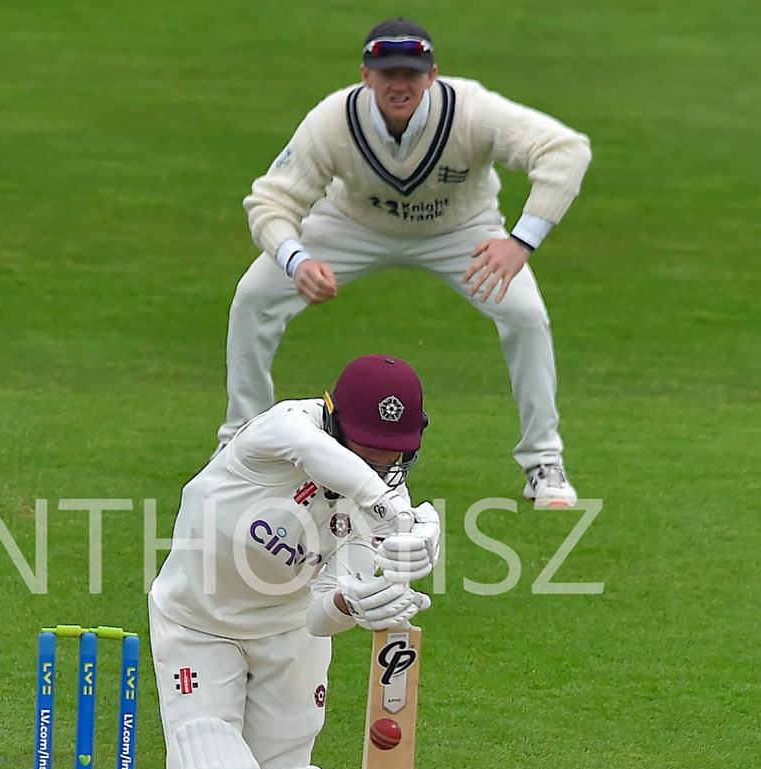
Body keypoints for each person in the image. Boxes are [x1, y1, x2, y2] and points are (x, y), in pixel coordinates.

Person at [149, 354, 440, 769]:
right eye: (368, 450)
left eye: (393, 456)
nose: (381, 465)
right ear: (335, 419)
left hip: (289, 637)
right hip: (199, 624)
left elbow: (321, 612)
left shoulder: (375, 509)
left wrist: (359, 599)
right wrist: (392, 511)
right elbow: (319, 454)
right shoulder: (282, 431)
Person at [221, 18, 589, 508]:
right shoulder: (334, 119)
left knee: (525, 315)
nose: (400, 85)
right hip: (352, 225)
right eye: (386, 73)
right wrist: (297, 260)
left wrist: (521, 242)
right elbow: (270, 200)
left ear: (432, 75)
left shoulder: (472, 111)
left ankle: (544, 462)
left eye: (411, 75)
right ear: (365, 75)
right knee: (254, 296)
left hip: (462, 230)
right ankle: (241, 442)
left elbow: (566, 150)